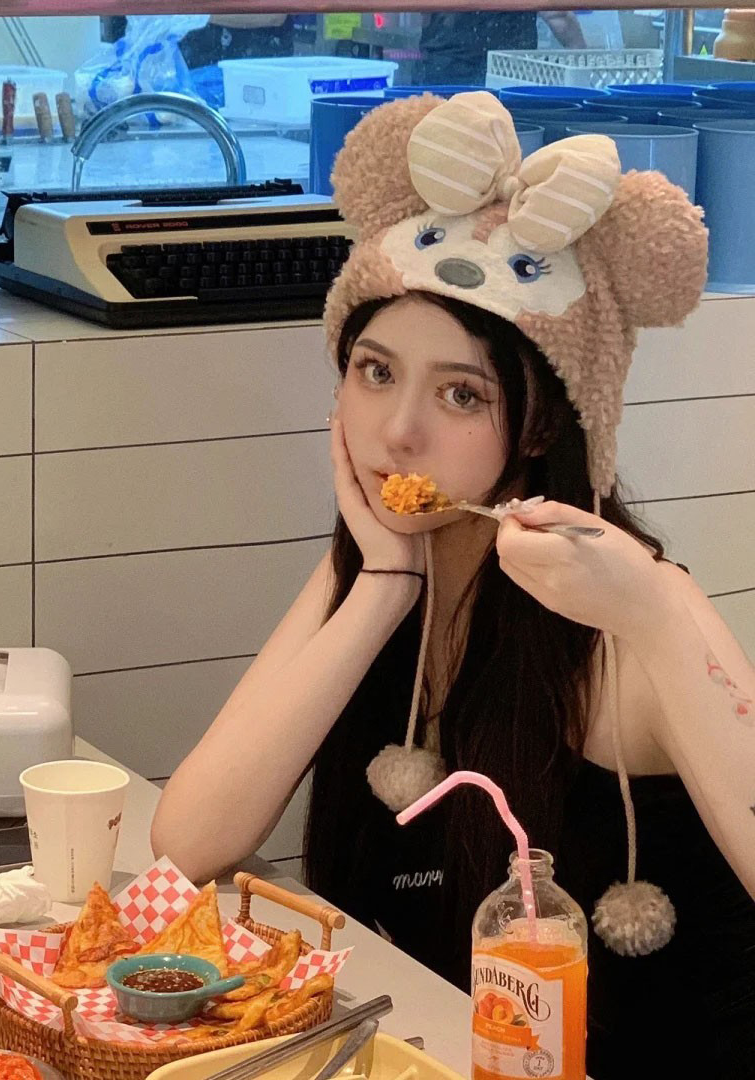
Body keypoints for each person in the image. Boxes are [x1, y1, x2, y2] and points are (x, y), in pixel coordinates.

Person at [151, 92, 755, 1078]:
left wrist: (658, 606)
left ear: (544, 424)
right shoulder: (382, 559)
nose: (398, 432)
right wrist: (383, 585)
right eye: (375, 372)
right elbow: (187, 843)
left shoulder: (626, 616)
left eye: (461, 394)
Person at [418, 10, 587, 84]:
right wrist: (585, 66)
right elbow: (558, 16)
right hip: (510, 71)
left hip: (442, 66)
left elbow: (424, 15)